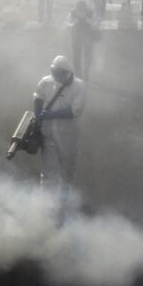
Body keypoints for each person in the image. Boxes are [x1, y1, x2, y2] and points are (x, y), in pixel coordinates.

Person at [33, 55, 86, 205]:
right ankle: (47, 203)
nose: (56, 75)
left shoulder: (79, 86)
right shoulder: (46, 82)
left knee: (68, 169)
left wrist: (50, 115)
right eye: (53, 71)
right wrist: (38, 116)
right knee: (49, 171)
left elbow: (75, 111)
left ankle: (64, 201)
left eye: (59, 72)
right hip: (48, 133)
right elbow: (38, 97)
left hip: (68, 135)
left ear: (67, 72)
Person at [67, 1, 98, 81]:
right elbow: (68, 24)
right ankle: (78, 74)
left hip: (88, 37)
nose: (81, 13)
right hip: (76, 37)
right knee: (76, 56)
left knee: (88, 56)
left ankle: (86, 72)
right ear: (76, 10)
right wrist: (73, 24)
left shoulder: (91, 13)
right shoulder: (72, 13)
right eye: (79, 11)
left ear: (86, 10)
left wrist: (89, 22)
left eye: (83, 11)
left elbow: (95, 25)